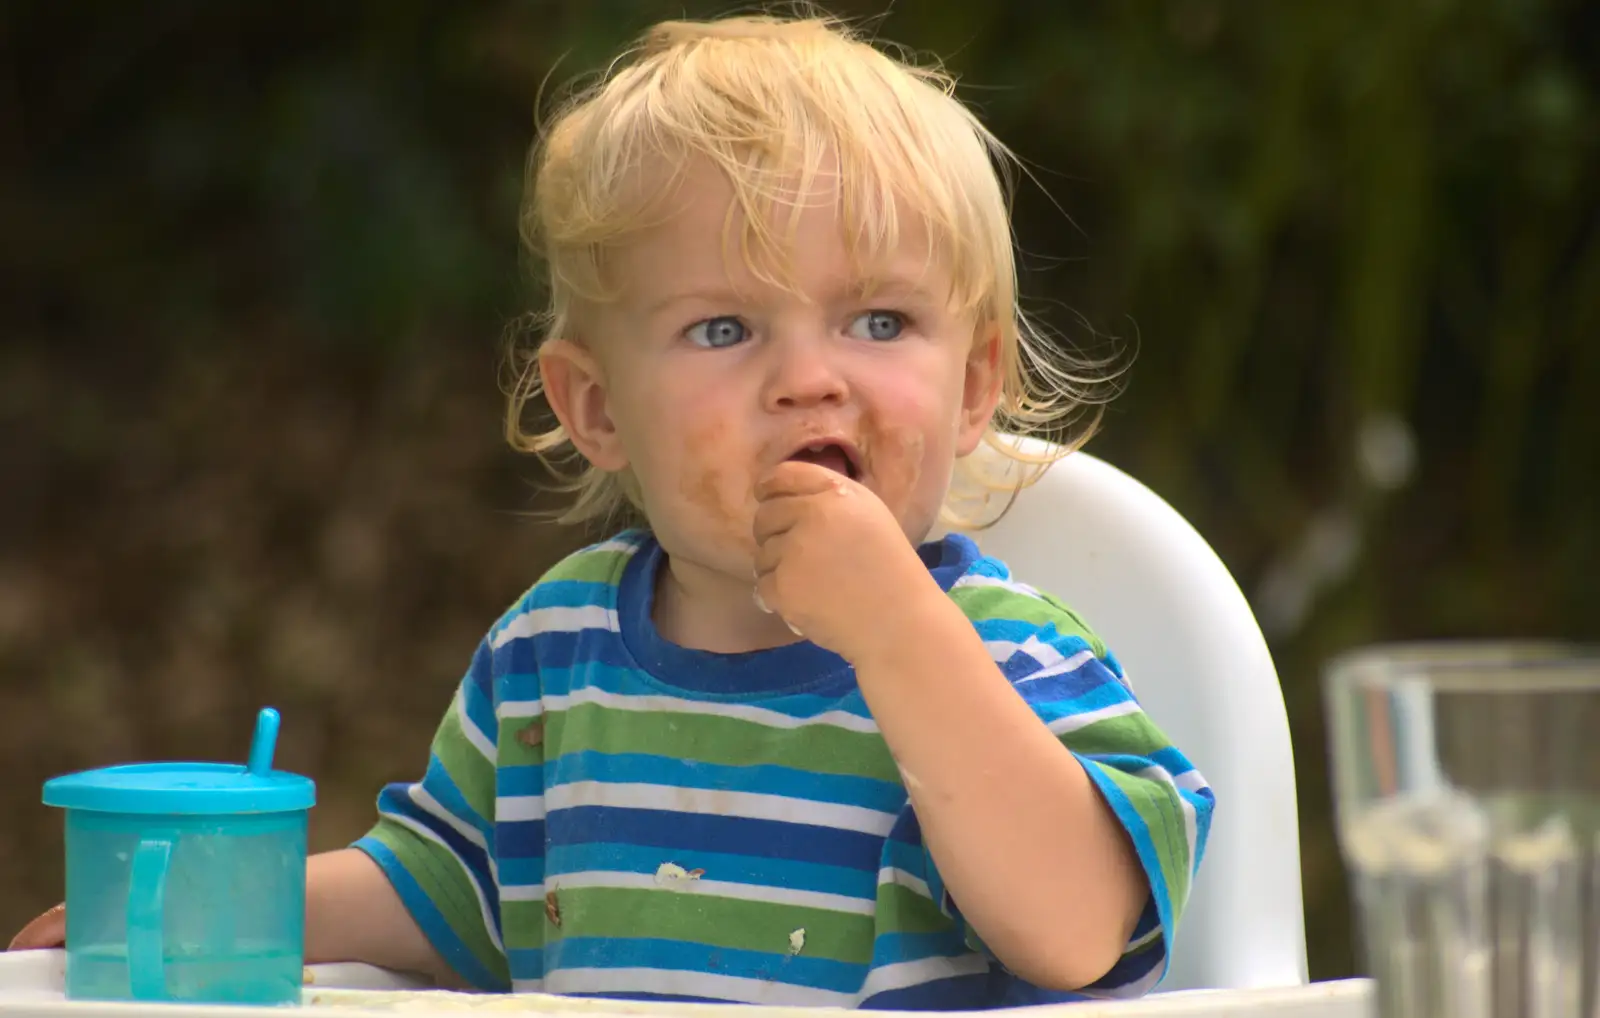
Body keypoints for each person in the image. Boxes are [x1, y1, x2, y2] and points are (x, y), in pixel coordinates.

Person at [12, 12, 1214, 1009]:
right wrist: (222, 907)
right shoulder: (554, 655)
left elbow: (1073, 927)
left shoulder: (1012, 653)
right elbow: (453, 888)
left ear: (976, 384)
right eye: (723, 329)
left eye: (879, 321)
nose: (808, 376)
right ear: (595, 407)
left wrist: (897, 628)